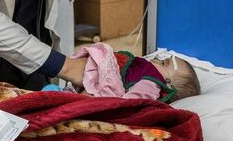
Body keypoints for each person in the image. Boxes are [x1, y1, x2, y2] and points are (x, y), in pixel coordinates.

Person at [59, 44, 201, 102]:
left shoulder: (153, 82)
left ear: (168, 83)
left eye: (164, 63)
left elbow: (131, 103)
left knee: (80, 100)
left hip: (101, 93)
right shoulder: (146, 71)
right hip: (94, 79)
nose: (157, 59)